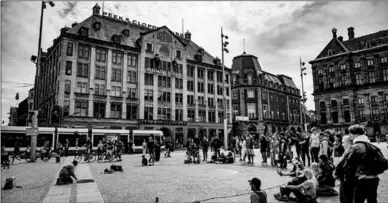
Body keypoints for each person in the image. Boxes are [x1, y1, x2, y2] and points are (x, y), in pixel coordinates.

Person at [335, 124, 385, 203]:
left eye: (351, 133)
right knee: (372, 200)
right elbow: (383, 163)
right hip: (374, 179)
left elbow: (345, 164)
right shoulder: (372, 146)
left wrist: (337, 174)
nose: (349, 135)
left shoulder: (355, 147)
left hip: (361, 180)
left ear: (357, 134)